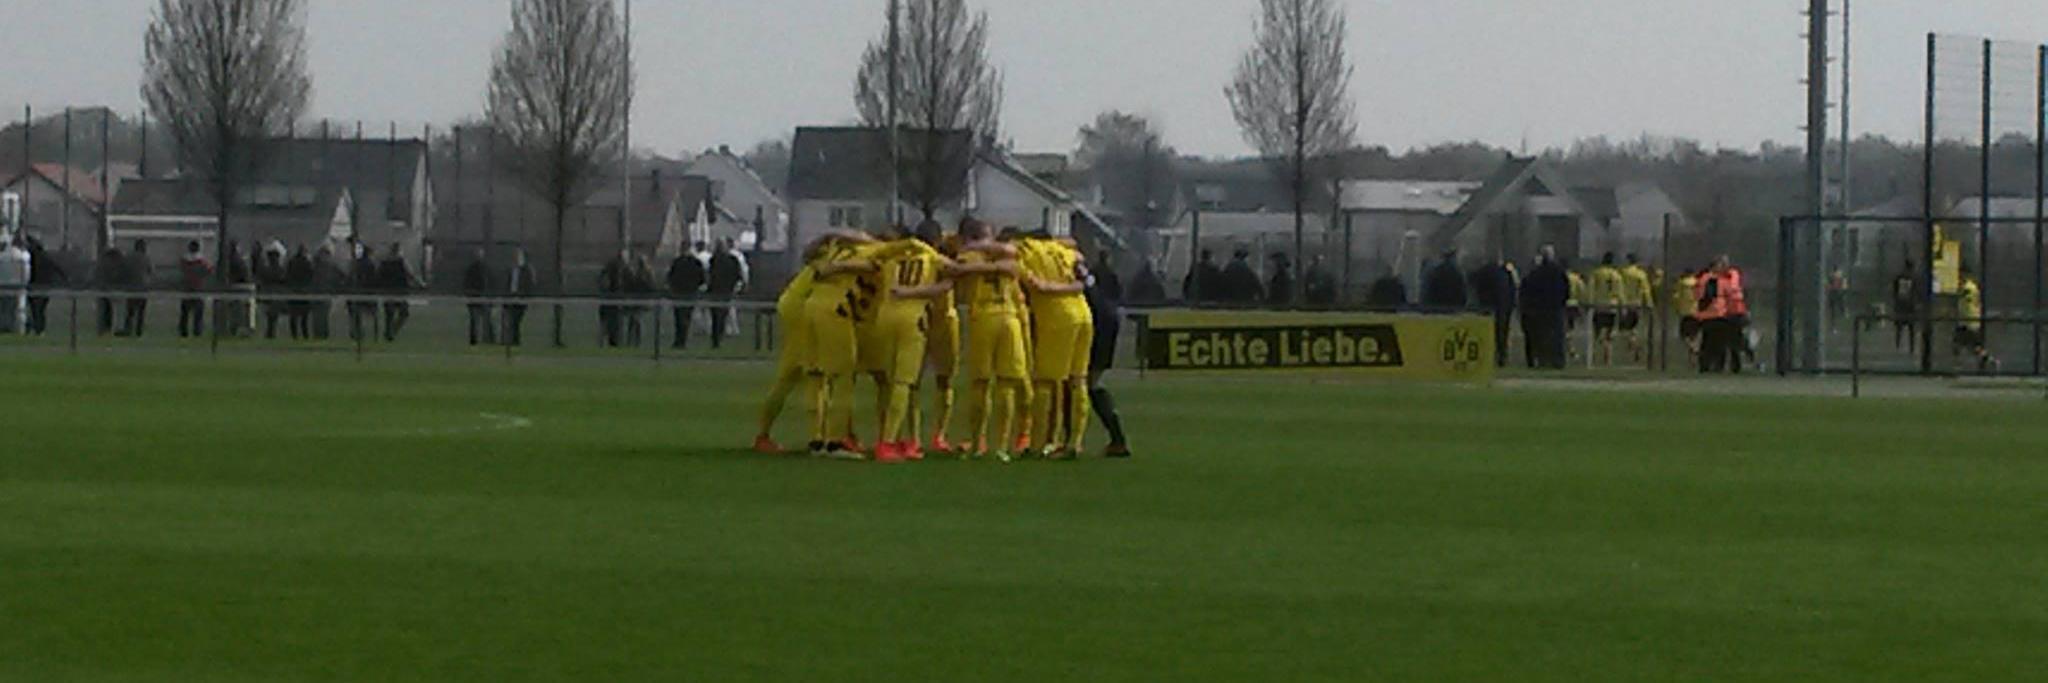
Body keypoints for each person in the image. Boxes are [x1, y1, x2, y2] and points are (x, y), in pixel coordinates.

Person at [868, 229, 957, 463]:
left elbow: (871, 260)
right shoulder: (933, 259)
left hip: (885, 315)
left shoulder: (890, 258)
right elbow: (952, 276)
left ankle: (896, 437)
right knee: (904, 382)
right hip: (913, 317)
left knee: (889, 381)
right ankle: (887, 442)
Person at [954, 221, 1032, 459]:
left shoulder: (967, 256)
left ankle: (978, 443)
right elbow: (1015, 265)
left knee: (980, 383)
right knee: (1007, 383)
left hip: (983, 318)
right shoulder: (1008, 256)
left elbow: (957, 271)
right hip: (1009, 317)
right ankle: (1002, 446)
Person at [751, 237, 833, 454]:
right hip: (805, 317)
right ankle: (817, 440)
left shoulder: (811, 267)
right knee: (817, 377)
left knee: (787, 379)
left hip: (795, 314)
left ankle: (763, 435)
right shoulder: (828, 263)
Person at [1019, 232, 1095, 459]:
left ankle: (1039, 444)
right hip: (1084, 314)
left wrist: (1047, 287)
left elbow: (1033, 283)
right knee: (1078, 380)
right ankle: (1074, 443)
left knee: (1045, 381)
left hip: (1058, 317)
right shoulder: (1066, 252)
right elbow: (1086, 279)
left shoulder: (1022, 251)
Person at [1084, 252, 1132, 458]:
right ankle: (1117, 440)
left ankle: (1068, 440)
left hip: (1098, 325)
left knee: (1081, 384)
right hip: (1107, 321)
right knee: (1090, 384)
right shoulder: (1084, 272)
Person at [1519, 247, 1570, 369]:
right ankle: (1557, 361)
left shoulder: (1535, 273)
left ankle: (1542, 360)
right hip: (1555, 308)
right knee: (1557, 337)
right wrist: (1562, 302)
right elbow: (1566, 290)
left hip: (1539, 309)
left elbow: (1527, 291)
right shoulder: (1559, 272)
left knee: (1541, 337)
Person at [1471, 257, 1518, 368]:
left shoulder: (1483, 272)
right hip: (1503, 307)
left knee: (1487, 333)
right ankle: (1501, 357)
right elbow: (1512, 289)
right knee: (1501, 334)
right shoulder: (1506, 272)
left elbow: (1476, 286)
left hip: (1487, 306)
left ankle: (1487, 356)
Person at [1954, 267, 1997, 372]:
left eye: (1962, 274)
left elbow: (1966, 297)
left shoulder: (1968, 287)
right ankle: (1986, 360)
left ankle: (1988, 361)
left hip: (1969, 321)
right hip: (1966, 320)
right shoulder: (1969, 286)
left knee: (1965, 344)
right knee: (1968, 345)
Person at [707, 238, 747, 349]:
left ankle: (716, 337)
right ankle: (720, 334)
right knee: (723, 313)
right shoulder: (733, 260)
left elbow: (711, 275)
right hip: (727, 290)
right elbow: (738, 275)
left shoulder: (713, 260)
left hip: (715, 290)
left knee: (715, 314)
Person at [376, 243, 420, 342]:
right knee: (404, 314)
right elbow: (411, 275)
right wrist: (420, 284)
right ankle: (392, 331)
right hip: (400, 291)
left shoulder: (384, 263)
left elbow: (378, 275)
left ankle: (389, 332)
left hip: (387, 291)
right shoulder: (402, 262)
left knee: (389, 314)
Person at [665, 247, 706, 349]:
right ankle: (683, 340)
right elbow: (702, 278)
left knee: (678, 317)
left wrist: (672, 287)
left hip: (678, 293)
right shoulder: (696, 263)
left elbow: (670, 276)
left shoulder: (677, 262)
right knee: (687, 317)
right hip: (691, 293)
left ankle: (678, 340)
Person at [1587, 253, 1624, 363]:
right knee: (1609, 334)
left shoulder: (1597, 273)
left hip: (1599, 306)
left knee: (1596, 333)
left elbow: (1591, 288)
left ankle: (1593, 355)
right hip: (1612, 306)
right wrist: (1622, 306)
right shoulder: (1617, 275)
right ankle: (1608, 358)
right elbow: (1620, 292)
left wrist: (1589, 302)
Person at [23, 237, 64, 335]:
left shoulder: (33, 257)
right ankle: (40, 329)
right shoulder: (46, 258)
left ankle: (37, 328)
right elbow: (58, 269)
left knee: (35, 309)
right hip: (45, 287)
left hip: (35, 286)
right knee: (40, 309)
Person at [1618, 254, 1654, 362]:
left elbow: (1619, 287)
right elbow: (1646, 290)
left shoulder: (1623, 272)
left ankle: (1635, 346)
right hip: (1637, 304)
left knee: (1623, 329)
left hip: (1626, 303)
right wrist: (1649, 303)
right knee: (1633, 327)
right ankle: (1635, 346)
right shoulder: (1641, 274)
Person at [177, 241, 211, 338]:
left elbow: (181, 270)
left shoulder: (184, 261)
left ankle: (183, 331)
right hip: (198, 289)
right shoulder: (202, 261)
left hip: (187, 288)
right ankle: (197, 331)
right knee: (198, 313)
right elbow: (209, 270)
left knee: (185, 312)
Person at [463, 249, 496, 346]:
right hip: (475, 299)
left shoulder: (487, 268)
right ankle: (474, 340)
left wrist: (490, 297)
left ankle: (489, 339)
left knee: (487, 320)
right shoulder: (472, 269)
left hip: (484, 298)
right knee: (475, 320)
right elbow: (467, 284)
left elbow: (491, 283)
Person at [504, 249, 537, 346]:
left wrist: (525, 296)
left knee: (515, 320)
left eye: (518, 256)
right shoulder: (511, 269)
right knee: (511, 321)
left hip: (521, 299)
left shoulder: (527, 270)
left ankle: (515, 341)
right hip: (511, 298)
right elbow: (508, 284)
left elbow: (530, 285)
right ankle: (512, 341)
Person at [310, 245, 344, 340]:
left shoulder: (317, 266)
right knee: (319, 316)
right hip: (321, 294)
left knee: (321, 316)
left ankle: (321, 335)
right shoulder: (327, 266)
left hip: (323, 294)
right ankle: (320, 335)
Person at [257, 243, 288, 339]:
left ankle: (270, 333)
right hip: (276, 295)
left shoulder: (266, 269)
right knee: (273, 317)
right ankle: (271, 333)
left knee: (270, 317)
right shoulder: (280, 269)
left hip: (267, 295)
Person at [124, 240, 154, 337]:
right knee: (141, 311)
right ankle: (138, 331)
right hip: (142, 288)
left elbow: (124, 270)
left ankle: (128, 329)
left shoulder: (128, 257)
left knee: (130, 311)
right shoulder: (146, 258)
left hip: (131, 287)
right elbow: (151, 271)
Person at [94, 246, 125, 336]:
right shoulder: (115, 265)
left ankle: (105, 328)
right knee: (119, 307)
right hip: (111, 289)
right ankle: (118, 328)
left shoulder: (101, 264)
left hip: (102, 289)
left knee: (105, 309)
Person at [286, 245, 314, 340]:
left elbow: (288, 276)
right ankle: (305, 335)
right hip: (304, 292)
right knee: (304, 318)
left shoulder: (292, 262)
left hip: (293, 292)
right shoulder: (307, 263)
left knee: (294, 316)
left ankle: (294, 336)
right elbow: (311, 276)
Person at [1891, 259, 1918, 352]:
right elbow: (1915, 292)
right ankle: (1911, 347)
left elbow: (1895, 291)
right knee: (1911, 327)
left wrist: (1895, 301)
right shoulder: (1913, 278)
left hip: (1901, 304)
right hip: (1909, 305)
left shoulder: (1899, 277)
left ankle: (1898, 345)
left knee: (1900, 327)